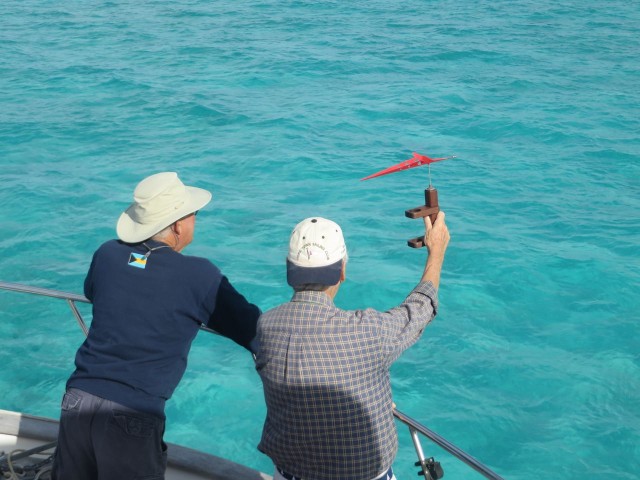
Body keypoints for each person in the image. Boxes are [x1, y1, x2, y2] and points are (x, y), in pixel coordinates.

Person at [51, 172, 261, 480]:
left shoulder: (107, 253)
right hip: (133, 410)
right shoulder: (200, 276)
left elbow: (93, 290)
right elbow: (252, 329)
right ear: (178, 224)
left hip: (78, 398)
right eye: (194, 214)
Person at [255, 213, 449, 480]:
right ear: (342, 271)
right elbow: (419, 309)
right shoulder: (366, 332)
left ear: (290, 267)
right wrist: (436, 252)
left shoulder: (266, 327)